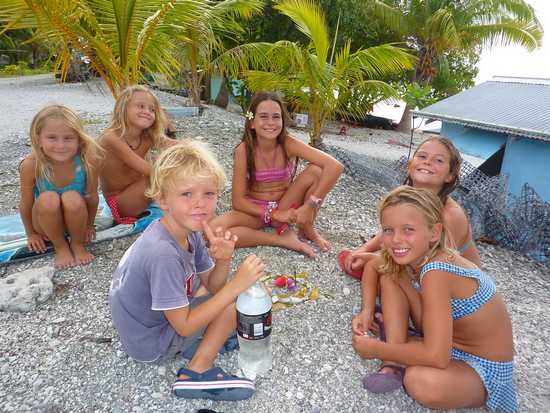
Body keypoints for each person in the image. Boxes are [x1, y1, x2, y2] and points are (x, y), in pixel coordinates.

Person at [109, 141, 265, 401]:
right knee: (235, 301)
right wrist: (236, 286)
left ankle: (206, 341)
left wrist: (224, 260)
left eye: (209, 194)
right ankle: (196, 371)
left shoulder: (190, 232)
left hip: (154, 325)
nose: (200, 204)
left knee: (235, 295)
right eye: (187, 194)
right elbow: (183, 325)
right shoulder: (163, 253)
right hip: (151, 343)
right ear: (162, 199)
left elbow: (213, 285)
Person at [352, 186, 517, 413]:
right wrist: (367, 311)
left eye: (408, 229)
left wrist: (376, 349)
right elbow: (373, 265)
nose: (396, 239)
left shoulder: (437, 270)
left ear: (434, 233)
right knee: (392, 273)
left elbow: (437, 358)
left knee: (420, 382)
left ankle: (395, 350)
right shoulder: (415, 255)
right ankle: (398, 353)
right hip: (449, 342)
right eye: (388, 230)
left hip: (481, 365)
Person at [211, 91, 344, 257]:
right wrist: (274, 214)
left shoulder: (288, 144)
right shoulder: (243, 151)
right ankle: (280, 239)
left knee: (316, 171)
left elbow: (335, 166)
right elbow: (238, 201)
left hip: (286, 205)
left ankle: (306, 226)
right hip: (255, 211)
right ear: (252, 122)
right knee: (212, 232)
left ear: (282, 120)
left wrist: (310, 205)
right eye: (264, 117)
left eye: (276, 117)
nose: (270, 123)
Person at [339, 137, 481, 278]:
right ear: (410, 165)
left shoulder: (450, 215)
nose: (427, 162)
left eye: (438, 160)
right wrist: (363, 250)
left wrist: (376, 260)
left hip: (455, 281)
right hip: (422, 263)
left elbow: (438, 266)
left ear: (450, 176)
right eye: (422, 156)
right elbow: (391, 229)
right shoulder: (406, 197)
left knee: (385, 274)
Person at [19, 104, 102, 270]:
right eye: (52, 138)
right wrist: (31, 233)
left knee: (71, 196)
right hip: (45, 223)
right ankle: (61, 247)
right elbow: (26, 204)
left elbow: (92, 196)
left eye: (68, 138)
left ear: (79, 139)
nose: (60, 145)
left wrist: (89, 225)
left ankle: (77, 244)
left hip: (77, 218)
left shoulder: (88, 161)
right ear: (38, 139)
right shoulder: (31, 165)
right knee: (48, 198)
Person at [99, 85, 178, 224]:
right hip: (120, 203)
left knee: (166, 164)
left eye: (152, 109)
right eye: (141, 106)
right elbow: (150, 171)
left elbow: (173, 144)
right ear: (123, 108)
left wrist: (194, 148)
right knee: (157, 175)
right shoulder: (111, 138)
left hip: (138, 191)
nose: (147, 112)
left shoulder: (147, 136)